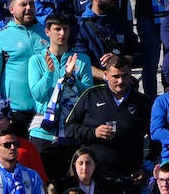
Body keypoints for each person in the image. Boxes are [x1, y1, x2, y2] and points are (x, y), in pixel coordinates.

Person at [63, 54, 152, 184]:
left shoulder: (143, 102)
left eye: (125, 75)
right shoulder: (91, 95)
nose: (121, 81)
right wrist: (94, 133)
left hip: (130, 178)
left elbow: (156, 138)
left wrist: (147, 166)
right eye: (116, 76)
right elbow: (69, 128)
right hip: (94, 177)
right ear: (106, 75)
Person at [26, 13, 93, 181]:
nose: (62, 34)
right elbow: (39, 95)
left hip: (71, 130)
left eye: (65, 29)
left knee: (70, 185)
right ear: (47, 32)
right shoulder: (36, 60)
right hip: (43, 131)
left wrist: (71, 79)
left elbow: (88, 95)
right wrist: (49, 74)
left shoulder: (82, 60)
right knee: (43, 185)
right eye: (57, 29)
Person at [0, 0, 48, 131]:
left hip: (45, 110)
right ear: (11, 9)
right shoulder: (1, 38)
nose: (29, 8)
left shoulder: (47, 33)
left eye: (31, 4)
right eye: (23, 4)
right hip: (15, 113)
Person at [77, 0, 142, 79]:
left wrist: (122, 59)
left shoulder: (119, 23)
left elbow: (139, 54)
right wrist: (108, 78)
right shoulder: (80, 28)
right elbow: (80, 63)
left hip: (122, 86)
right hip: (94, 87)